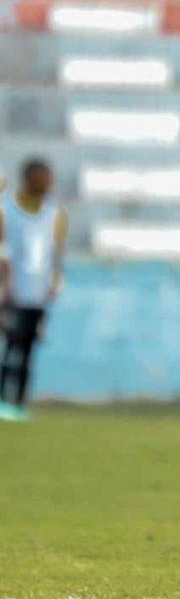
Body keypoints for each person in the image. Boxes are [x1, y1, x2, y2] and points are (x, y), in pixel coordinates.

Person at [0, 159, 67, 421]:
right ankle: (4, 398)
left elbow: (56, 252)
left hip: (37, 295)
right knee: (10, 347)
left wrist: (55, 281)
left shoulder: (53, 214)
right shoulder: (7, 209)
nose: (49, 184)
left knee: (28, 350)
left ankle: (18, 401)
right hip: (12, 293)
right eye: (44, 178)